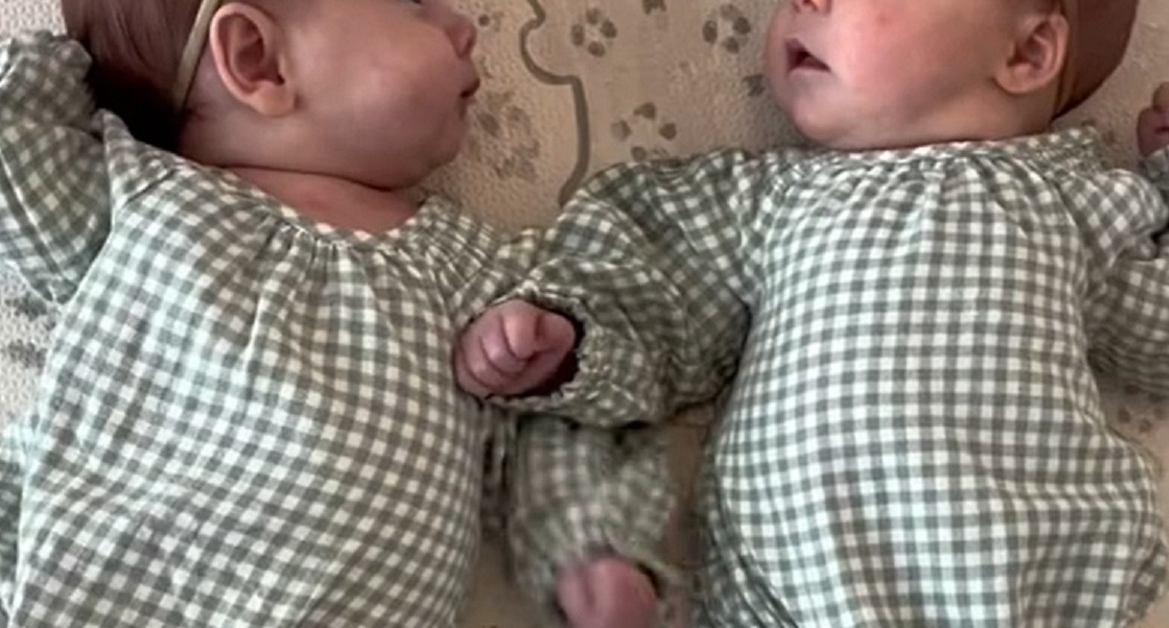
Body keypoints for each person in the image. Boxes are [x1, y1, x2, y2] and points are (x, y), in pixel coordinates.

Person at [459, 0, 1169, 624]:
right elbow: (661, 289)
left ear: (1027, 53)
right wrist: (571, 331)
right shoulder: (771, 199)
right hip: (792, 591)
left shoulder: (1075, 206)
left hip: (1022, 584)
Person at [0, 0, 677, 625]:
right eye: (413, 3)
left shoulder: (476, 266)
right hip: (101, 595)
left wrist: (587, 545)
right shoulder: (144, 200)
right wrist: (86, 60)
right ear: (257, 58)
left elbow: (556, 427)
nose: (464, 27)